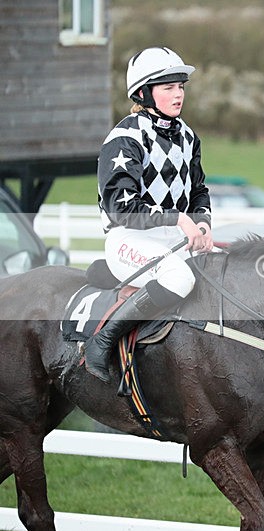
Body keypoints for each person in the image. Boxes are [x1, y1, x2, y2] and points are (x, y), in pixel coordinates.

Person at [83, 46, 214, 383]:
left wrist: (202, 222)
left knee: (227, 267)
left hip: (172, 239)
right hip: (129, 238)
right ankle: (102, 341)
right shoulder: (125, 137)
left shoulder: (188, 136)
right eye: (168, 87)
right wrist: (177, 219)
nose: (178, 94)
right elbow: (121, 208)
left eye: (181, 86)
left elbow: (198, 190)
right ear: (144, 93)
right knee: (180, 279)